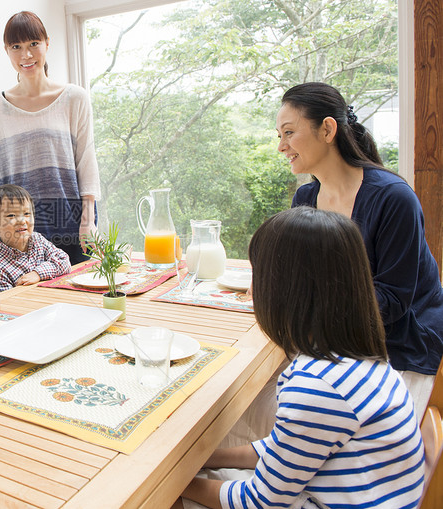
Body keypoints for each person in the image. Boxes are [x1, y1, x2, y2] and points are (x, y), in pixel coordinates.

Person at [178, 207, 425, 509]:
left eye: (257, 273)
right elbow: (289, 447)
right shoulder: (358, 359)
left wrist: (179, 484)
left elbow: (261, 502)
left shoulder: (317, 386)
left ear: (284, 290)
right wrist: (207, 456)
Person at [278, 81, 443, 410]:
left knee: (299, 408)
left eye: (289, 132)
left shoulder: (393, 198)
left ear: (327, 129)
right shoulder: (305, 199)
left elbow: (393, 301)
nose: (281, 146)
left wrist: (311, 311)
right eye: (279, 136)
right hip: (337, 339)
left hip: (401, 348)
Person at [0, 11, 101, 265]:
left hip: (70, 224)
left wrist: (88, 221)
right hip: (16, 229)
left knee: (81, 301)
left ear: (47, 44)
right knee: (24, 303)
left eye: (33, 44)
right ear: (6, 50)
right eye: (16, 47)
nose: (26, 55)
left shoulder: (75, 98)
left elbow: (87, 162)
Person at [0, 184, 71, 291]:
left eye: (27, 213)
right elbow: (8, 304)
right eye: (11, 215)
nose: (22, 221)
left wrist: (37, 274)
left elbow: (64, 261)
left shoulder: (37, 239)